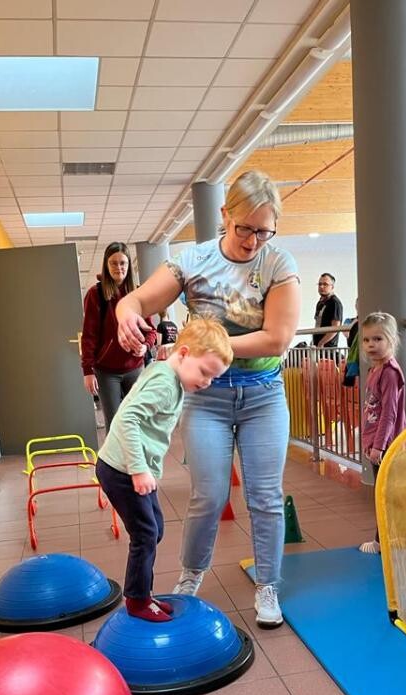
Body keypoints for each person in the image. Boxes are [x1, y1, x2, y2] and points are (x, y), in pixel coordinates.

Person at [114, 170, 301, 628]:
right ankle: (191, 574)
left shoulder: (278, 263)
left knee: (265, 496)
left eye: (264, 231)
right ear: (224, 215)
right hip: (206, 397)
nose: (253, 241)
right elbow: (137, 300)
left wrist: (206, 348)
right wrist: (125, 312)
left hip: (263, 394)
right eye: (244, 228)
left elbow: (277, 339)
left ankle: (268, 584)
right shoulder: (193, 260)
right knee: (208, 495)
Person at [96, 319, 232, 623]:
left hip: (127, 467)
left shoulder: (167, 374)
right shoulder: (165, 383)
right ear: (183, 354)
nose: (207, 382)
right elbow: (127, 419)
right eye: (205, 372)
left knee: (154, 528)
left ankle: (142, 592)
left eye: (213, 377)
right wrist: (139, 470)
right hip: (121, 469)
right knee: (145, 533)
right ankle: (137, 600)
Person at [80, 242, 156, 429]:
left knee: (137, 420)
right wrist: (88, 370)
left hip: (134, 367)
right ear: (106, 265)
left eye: (122, 263)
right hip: (106, 372)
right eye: (113, 263)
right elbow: (89, 336)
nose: (118, 267)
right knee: (115, 423)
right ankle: (114, 451)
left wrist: (145, 346)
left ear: (128, 265)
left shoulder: (138, 293)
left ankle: (136, 450)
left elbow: (151, 330)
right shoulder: (95, 294)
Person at [359, 311, 406, 555]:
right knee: (383, 493)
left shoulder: (389, 372)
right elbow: (372, 409)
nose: (371, 345)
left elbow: (389, 413)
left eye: (378, 339)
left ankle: (382, 542)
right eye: (367, 340)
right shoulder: (375, 370)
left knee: (384, 495)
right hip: (378, 442)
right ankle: (389, 539)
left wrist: (379, 446)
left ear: (391, 340)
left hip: (387, 445)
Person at [313, 273, 344, 348]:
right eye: (319, 284)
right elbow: (318, 324)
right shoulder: (320, 303)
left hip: (328, 348)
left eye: (325, 284)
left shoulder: (335, 303)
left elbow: (336, 328)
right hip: (317, 346)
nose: (321, 286)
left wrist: (321, 342)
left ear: (332, 287)